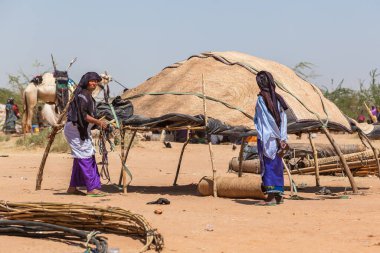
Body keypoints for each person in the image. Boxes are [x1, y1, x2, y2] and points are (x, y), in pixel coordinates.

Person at [64, 72, 108, 196]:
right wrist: (99, 122)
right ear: (86, 82)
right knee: (86, 157)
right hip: (75, 130)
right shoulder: (82, 96)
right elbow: (83, 115)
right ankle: (91, 188)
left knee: (82, 156)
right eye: (91, 81)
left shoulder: (88, 96)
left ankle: (72, 188)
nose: (94, 83)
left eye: (96, 81)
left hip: (82, 130)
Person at [253, 71, 288, 205]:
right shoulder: (278, 98)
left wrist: (278, 137)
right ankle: (278, 196)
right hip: (279, 138)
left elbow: (267, 121)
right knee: (277, 166)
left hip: (268, 138)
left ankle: (271, 197)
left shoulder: (262, 99)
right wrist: (283, 137)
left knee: (268, 165)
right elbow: (283, 119)